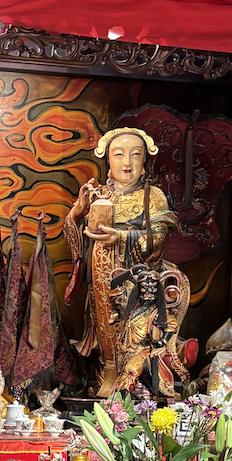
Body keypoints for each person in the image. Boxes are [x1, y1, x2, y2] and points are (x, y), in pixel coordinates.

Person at [63, 126, 189, 398]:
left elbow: (158, 239)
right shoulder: (98, 194)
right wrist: (78, 213)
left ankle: (133, 380)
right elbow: (75, 234)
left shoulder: (153, 196)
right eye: (119, 154)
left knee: (133, 331)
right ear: (109, 161)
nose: (127, 162)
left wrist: (121, 236)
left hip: (135, 281)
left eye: (136, 154)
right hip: (100, 277)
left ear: (145, 162)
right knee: (102, 326)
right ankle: (106, 373)